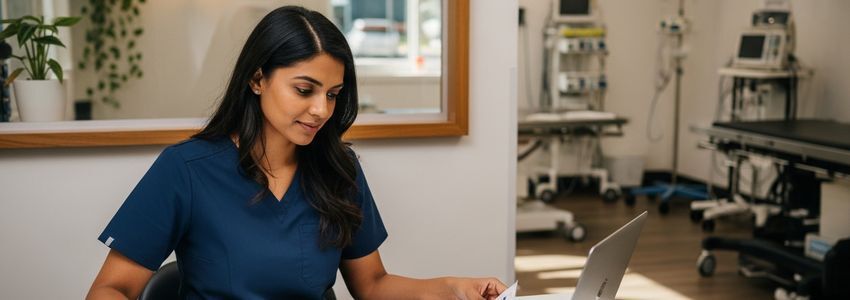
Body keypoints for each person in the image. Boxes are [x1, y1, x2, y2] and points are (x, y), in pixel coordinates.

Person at [86, 6, 507, 300]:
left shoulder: (338, 170)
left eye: (334, 95)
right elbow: (113, 289)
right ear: (257, 79)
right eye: (304, 90)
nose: (322, 110)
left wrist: (452, 289)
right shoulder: (186, 170)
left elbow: (373, 285)